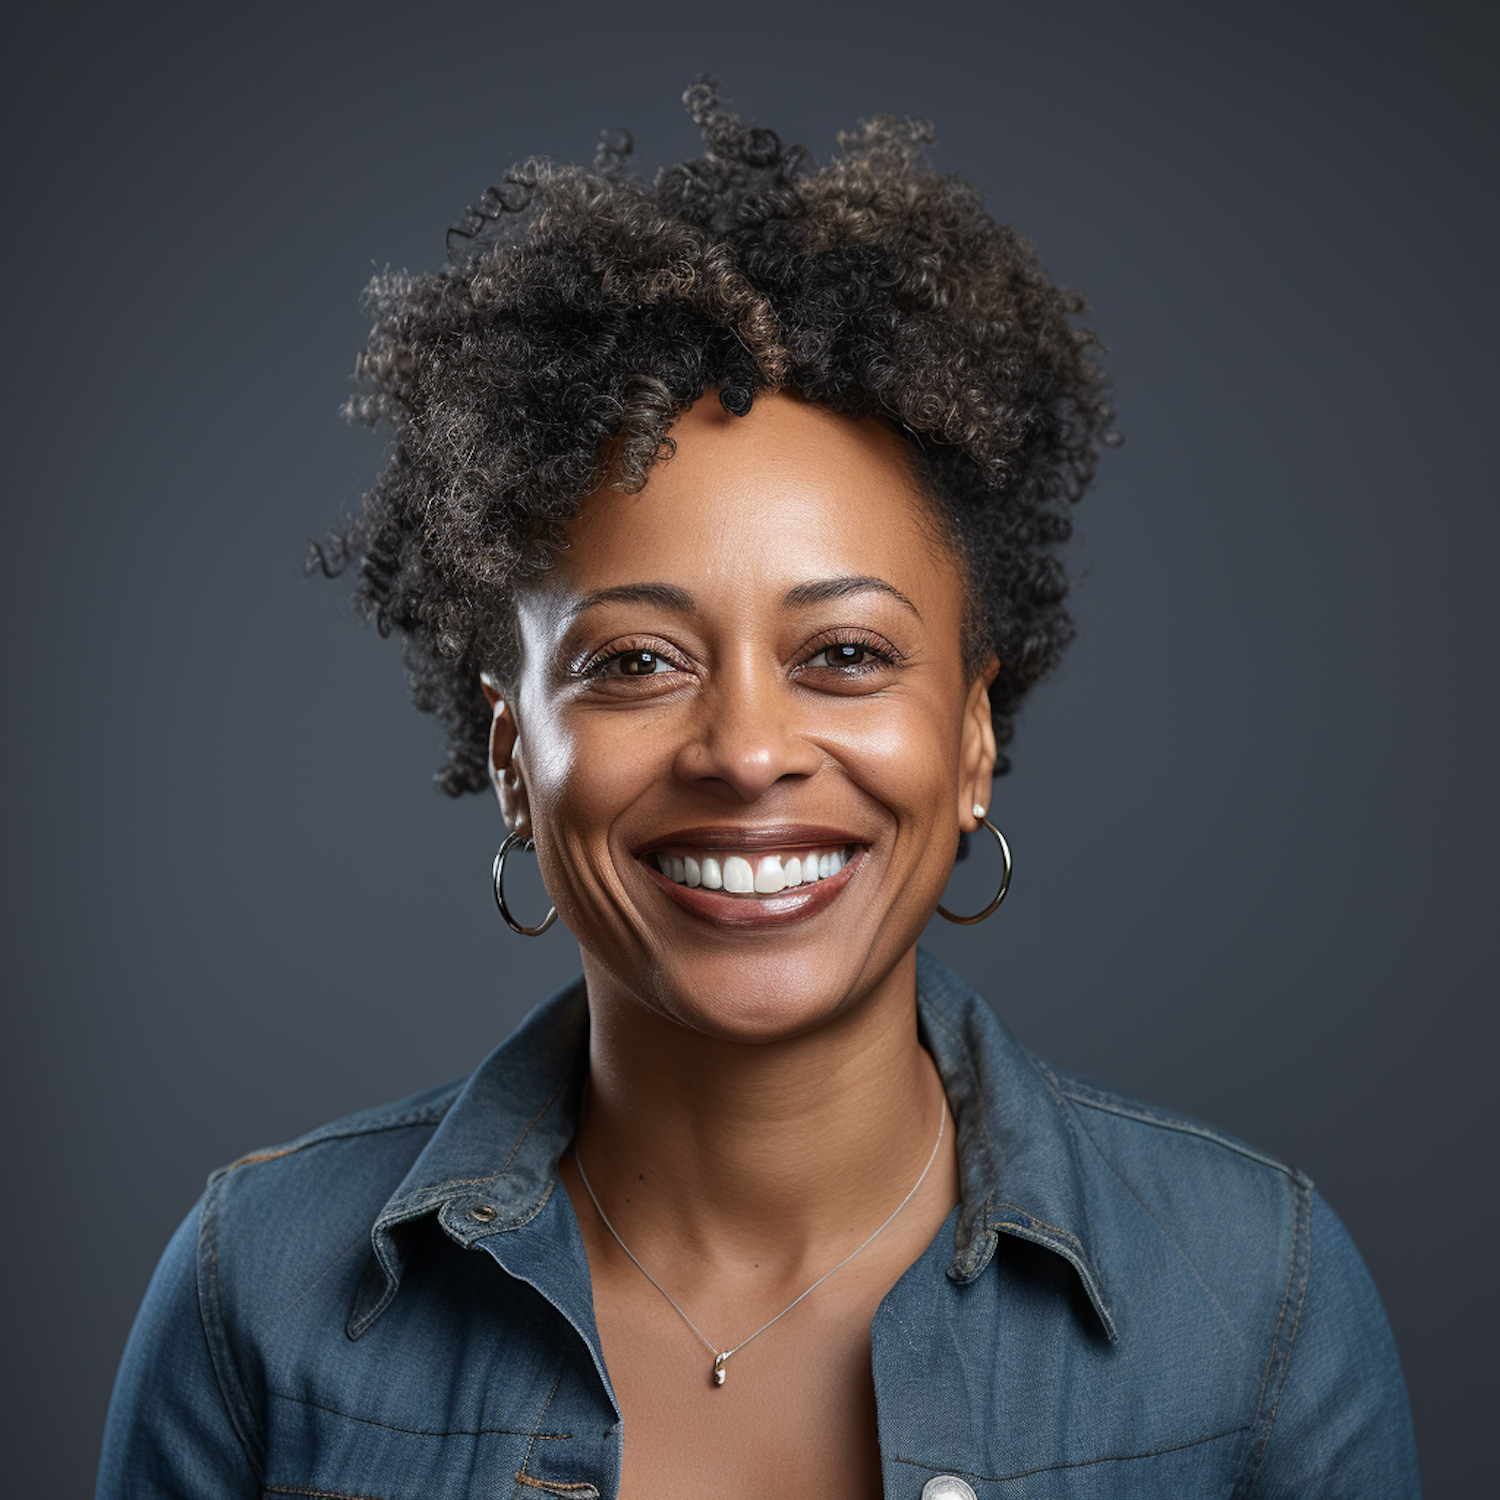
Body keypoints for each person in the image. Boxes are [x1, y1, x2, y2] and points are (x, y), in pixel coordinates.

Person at [96, 79, 1420, 1499]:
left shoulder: (1255, 1311)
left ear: (972, 741)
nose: (744, 748)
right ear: (511, 761)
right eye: (635, 661)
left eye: (845, 653)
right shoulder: (259, 1305)